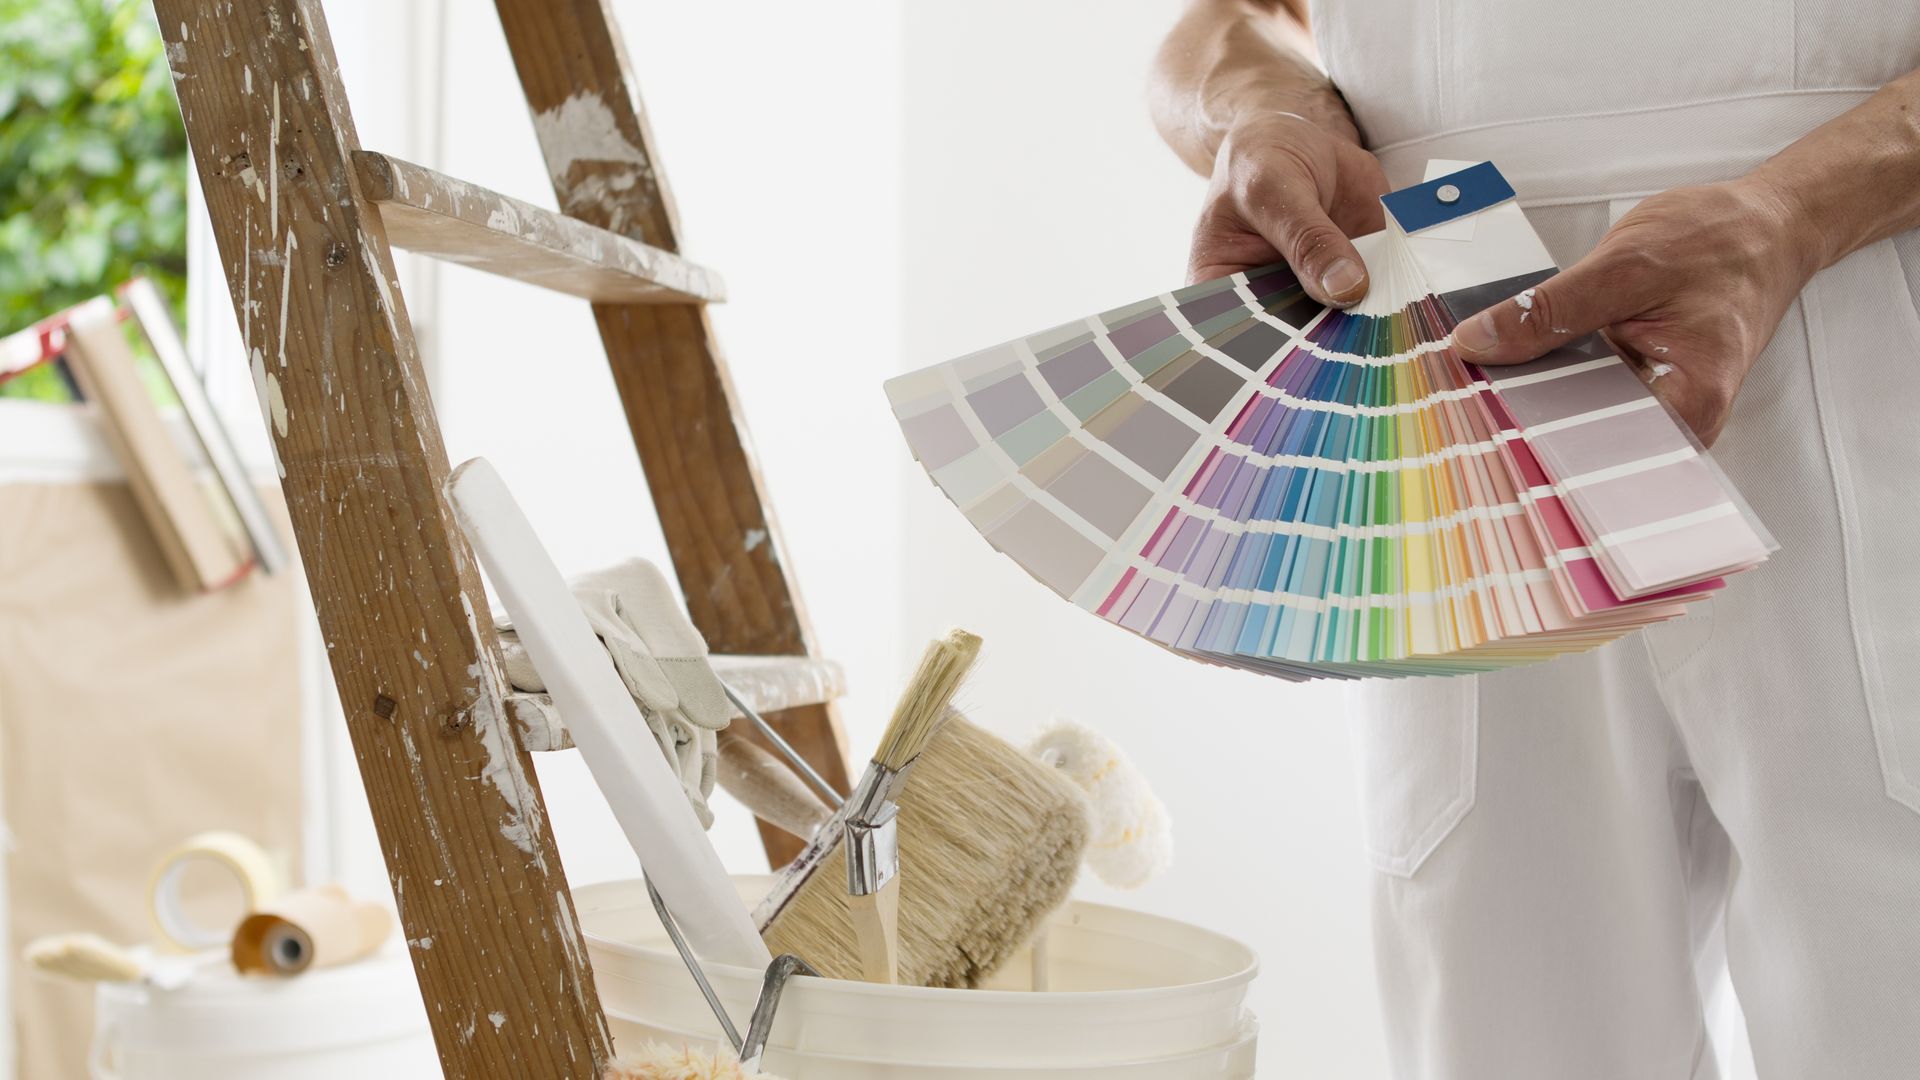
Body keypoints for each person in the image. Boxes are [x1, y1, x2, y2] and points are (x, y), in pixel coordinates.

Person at [1149, 2, 1920, 1077]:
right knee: (1505, 1035)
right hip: (1453, 355)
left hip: (1860, 313)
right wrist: (1266, 113)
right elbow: (1233, 21)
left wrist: (1793, 212)